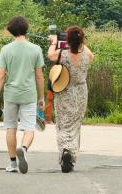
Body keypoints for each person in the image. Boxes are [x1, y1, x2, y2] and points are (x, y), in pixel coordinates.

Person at [0, 15, 45, 174]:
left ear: (11, 30)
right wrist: (41, 97)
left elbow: (1, 76)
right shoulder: (36, 49)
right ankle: (24, 148)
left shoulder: (6, 50)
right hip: (28, 94)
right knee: (29, 127)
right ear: (26, 29)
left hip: (11, 94)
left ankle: (13, 163)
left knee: (10, 127)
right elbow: (39, 76)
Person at [47, 25, 94, 173]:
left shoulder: (63, 54)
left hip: (64, 91)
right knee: (75, 124)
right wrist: (79, 42)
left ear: (67, 39)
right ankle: (71, 155)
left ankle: (65, 150)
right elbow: (90, 54)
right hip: (81, 92)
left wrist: (54, 41)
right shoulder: (87, 54)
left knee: (63, 124)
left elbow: (50, 55)